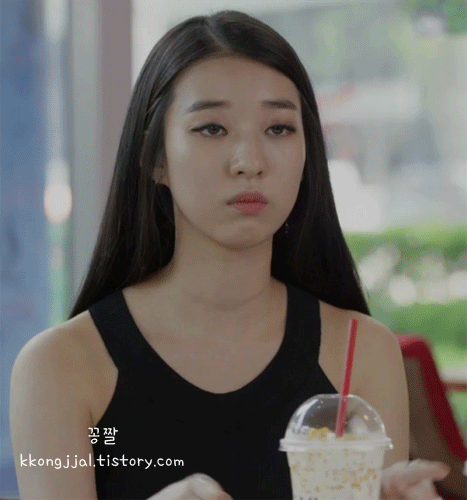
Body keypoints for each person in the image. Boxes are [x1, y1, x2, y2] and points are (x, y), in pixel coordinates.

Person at [10, 10, 450, 500]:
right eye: (211, 128)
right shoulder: (58, 367)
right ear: (155, 158)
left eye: (279, 128)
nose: (249, 162)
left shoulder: (361, 351)